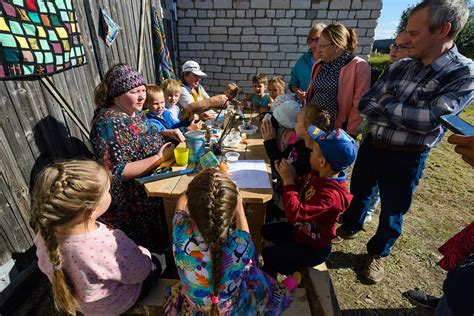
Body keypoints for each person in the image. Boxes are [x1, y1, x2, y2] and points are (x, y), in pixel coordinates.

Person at [336, 0, 474, 284]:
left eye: (413, 32)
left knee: (392, 208)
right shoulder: (403, 65)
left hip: (407, 155)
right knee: (360, 190)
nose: (406, 39)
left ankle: (378, 253)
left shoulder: (463, 72)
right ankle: (350, 225)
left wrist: (387, 104)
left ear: (443, 30)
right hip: (374, 144)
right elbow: (366, 103)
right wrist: (398, 109)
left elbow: (430, 120)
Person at [31, 160, 153, 315]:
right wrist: (145, 253)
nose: (110, 194)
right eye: (107, 191)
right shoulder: (108, 242)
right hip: (119, 304)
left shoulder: (44, 235)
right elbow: (139, 272)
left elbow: (45, 266)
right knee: (154, 263)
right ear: (91, 209)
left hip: (86, 308)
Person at [165, 168, 293, 315]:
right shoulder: (241, 244)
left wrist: (197, 187)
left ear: (191, 208)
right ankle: (283, 289)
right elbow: (243, 228)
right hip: (233, 310)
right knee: (254, 270)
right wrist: (237, 200)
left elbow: (181, 201)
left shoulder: (180, 231)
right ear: (229, 213)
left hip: (195, 309)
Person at [90, 63, 175, 254]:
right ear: (117, 94)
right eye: (135, 91)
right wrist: (159, 157)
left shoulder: (133, 112)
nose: (142, 96)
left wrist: (167, 133)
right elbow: (115, 171)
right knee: (146, 253)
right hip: (133, 205)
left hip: (153, 192)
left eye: (143, 90)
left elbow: (144, 137)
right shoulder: (107, 124)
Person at [262, 128, 357, 275]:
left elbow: (295, 213)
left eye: (314, 151)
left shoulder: (331, 197)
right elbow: (302, 189)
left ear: (322, 161)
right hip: (300, 232)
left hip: (313, 247)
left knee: (269, 255)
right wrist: (292, 177)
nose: (310, 152)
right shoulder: (318, 174)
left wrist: (288, 181)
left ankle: (292, 275)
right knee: (265, 231)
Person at [262, 104, 331, 220]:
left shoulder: (310, 157)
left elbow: (281, 171)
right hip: (282, 192)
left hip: (290, 205)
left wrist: (269, 142)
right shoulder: (300, 144)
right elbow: (282, 160)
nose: (294, 124)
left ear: (307, 128)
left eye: (297, 121)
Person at [306, 23, 371, 137]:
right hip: (314, 127)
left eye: (322, 46)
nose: (318, 50)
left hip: (337, 132)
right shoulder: (318, 65)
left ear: (337, 46)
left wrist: (349, 134)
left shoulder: (358, 66)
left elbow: (359, 104)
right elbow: (312, 93)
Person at [289, 23, 326, 101]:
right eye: (311, 40)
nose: (313, 43)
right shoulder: (302, 60)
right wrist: (297, 91)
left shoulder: (329, 61)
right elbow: (293, 83)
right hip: (303, 105)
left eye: (317, 40)